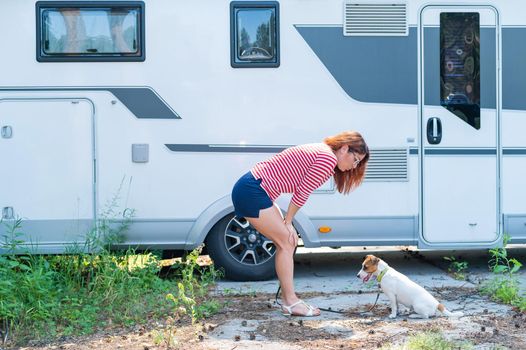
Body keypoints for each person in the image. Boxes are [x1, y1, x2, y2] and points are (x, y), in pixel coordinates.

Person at [231, 131, 369, 316]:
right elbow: (302, 193)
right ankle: (290, 302)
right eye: (356, 159)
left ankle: (290, 300)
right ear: (344, 148)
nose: (354, 166)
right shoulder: (327, 159)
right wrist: (288, 222)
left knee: (288, 242)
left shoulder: (323, 152)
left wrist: (288, 222)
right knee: (287, 242)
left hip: (254, 188)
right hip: (252, 191)